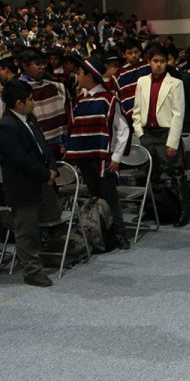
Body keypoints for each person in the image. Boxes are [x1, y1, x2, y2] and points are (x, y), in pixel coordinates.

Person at [0, 78, 59, 287]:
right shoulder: (7, 126)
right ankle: (32, 271)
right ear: (18, 103)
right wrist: (44, 173)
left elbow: (43, 145)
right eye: (30, 99)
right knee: (26, 230)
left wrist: (52, 167)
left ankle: (46, 257)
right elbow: (19, 160)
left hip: (40, 179)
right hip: (22, 185)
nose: (34, 103)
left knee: (49, 219)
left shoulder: (29, 118)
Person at [64, 57, 131, 250]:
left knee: (110, 197)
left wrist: (117, 158)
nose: (77, 76)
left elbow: (123, 129)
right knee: (94, 196)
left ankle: (120, 233)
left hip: (104, 160)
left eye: (79, 73)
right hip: (85, 157)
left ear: (89, 76)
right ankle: (101, 232)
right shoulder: (79, 100)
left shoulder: (109, 99)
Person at [131, 45, 190, 226]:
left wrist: (173, 141)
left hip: (166, 133)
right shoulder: (142, 81)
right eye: (155, 61)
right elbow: (136, 111)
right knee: (150, 174)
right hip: (147, 133)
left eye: (162, 61)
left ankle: (182, 211)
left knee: (175, 174)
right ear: (149, 62)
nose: (159, 65)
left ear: (167, 63)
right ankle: (152, 210)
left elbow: (178, 114)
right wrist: (140, 133)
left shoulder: (176, 83)